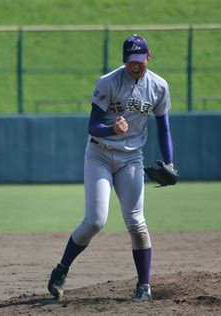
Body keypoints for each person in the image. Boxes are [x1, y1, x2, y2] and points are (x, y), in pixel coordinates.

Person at [47, 34, 176, 302]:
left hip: (131, 158)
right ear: (124, 60)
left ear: (148, 57)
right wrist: (111, 129)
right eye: (131, 61)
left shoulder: (159, 87)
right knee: (95, 221)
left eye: (140, 60)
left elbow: (164, 127)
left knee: (137, 223)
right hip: (100, 155)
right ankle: (62, 269)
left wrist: (169, 160)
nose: (136, 65)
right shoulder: (108, 82)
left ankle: (144, 287)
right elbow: (92, 126)